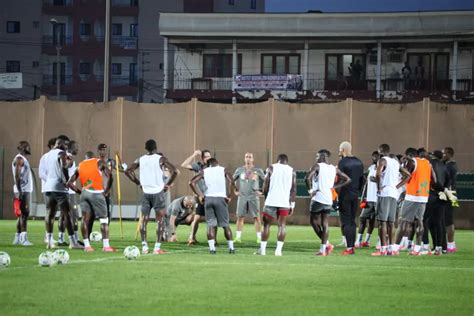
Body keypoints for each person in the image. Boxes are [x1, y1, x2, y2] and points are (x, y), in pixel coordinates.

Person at [125, 139, 178, 255]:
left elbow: (127, 171)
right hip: (158, 193)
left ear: (145, 148)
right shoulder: (160, 159)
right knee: (159, 221)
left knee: (144, 220)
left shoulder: (140, 159)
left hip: (146, 193)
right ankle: (157, 248)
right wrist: (167, 184)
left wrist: (138, 182)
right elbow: (175, 171)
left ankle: (144, 247)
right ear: (156, 148)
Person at [305, 149, 351, 256]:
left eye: (317, 156)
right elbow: (348, 179)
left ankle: (327, 245)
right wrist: (334, 187)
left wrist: (310, 191)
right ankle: (323, 249)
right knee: (325, 224)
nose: (316, 158)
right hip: (328, 199)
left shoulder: (317, 166)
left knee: (313, 221)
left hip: (318, 197)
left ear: (322, 156)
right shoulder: (333, 168)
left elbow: (307, 178)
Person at [67, 151, 115, 252]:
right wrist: (106, 191)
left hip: (85, 193)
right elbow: (110, 176)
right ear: (93, 157)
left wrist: (81, 192)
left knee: (84, 219)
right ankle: (106, 246)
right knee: (104, 220)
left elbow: (69, 183)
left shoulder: (80, 165)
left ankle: (87, 246)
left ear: (85, 158)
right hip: (97, 193)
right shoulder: (99, 162)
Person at [392, 148, 435, 256]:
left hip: (412, 196)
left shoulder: (412, 162)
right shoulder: (427, 163)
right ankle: (417, 248)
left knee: (403, 221)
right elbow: (435, 180)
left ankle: (395, 248)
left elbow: (405, 175)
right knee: (419, 221)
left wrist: (401, 165)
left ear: (409, 155)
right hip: (423, 196)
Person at [41, 135, 81, 249]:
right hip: (59, 187)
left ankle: (49, 241)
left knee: (50, 213)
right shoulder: (61, 153)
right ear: (61, 143)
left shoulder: (46, 155)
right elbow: (63, 167)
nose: (67, 147)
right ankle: (73, 242)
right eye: (66, 145)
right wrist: (66, 180)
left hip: (48, 186)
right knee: (67, 214)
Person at [190, 158, 235, 254]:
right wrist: (230, 196)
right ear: (217, 163)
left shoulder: (204, 171)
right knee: (225, 225)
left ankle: (212, 249)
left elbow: (192, 182)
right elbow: (231, 181)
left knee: (210, 225)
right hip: (220, 198)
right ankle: (231, 248)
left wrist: (200, 195)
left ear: (208, 164)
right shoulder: (223, 169)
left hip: (208, 199)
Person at [372, 144, 410, 256]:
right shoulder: (395, 162)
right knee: (391, 223)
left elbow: (378, 174)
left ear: (381, 151)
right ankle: (391, 249)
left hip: (384, 193)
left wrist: (379, 187)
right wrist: (396, 187)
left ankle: (383, 249)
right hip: (394, 194)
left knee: (382, 222)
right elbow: (408, 175)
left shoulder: (383, 160)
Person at [257, 154, 296, 256]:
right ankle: (278, 251)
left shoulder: (271, 167)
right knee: (282, 226)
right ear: (286, 161)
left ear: (277, 160)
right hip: (284, 202)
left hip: (271, 201)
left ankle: (263, 250)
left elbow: (266, 184)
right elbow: (293, 189)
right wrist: (292, 205)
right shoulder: (291, 170)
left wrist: (265, 196)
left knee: (266, 225)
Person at [337, 141, 364, 255]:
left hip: (345, 194)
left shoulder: (342, 162)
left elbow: (340, 179)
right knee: (352, 221)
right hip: (355, 195)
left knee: (346, 221)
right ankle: (351, 246)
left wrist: (336, 192)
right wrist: (359, 193)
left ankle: (349, 248)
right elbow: (362, 180)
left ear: (342, 150)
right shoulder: (359, 162)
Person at [181, 149, 212, 245]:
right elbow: (184, 165)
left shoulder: (213, 167)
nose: (208, 158)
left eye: (209, 156)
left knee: (211, 218)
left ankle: (212, 239)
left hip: (211, 195)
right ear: (202, 158)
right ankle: (192, 237)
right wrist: (194, 154)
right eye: (206, 156)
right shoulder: (198, 166)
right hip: (200, 196)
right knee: (197, 218)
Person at [233, 152, 265, 244]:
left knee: (257, 217)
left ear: (253, 159)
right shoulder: (239, 170)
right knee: (240, 217)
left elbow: (266, 181)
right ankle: (238, 237)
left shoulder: (258, 170)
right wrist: (235, 190)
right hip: (242, 196)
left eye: (250, 157)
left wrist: (262, 191)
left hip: (253, 197)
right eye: (246, 157)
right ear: (244, 158)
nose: (248, 159)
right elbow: (232, 180)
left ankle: (259, 238)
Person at [425, 150, 449, 255]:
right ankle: (439, 247)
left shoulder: (430, 164)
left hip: (431, 194)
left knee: (423, 221)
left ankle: (424, 246)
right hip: (442, 195)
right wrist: (445, 190)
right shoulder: (444, 166)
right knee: (438, 222)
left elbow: (432, 180)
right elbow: (449, 181)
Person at [355, 151, 379, 248]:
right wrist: (362, 197)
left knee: (378, 221)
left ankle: (377, 242)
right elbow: (367, 184)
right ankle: (359, 240)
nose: (374, 158)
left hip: (379, 199)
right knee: (362, 218)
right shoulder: (371, 168)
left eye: (376, 157)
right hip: (369, 199)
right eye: (373, 157)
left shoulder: (384, 169)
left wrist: (377, 180)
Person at [12, 141, 34, 246]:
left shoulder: (22, 159)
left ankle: (17, 238)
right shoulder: (19, 158)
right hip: (23, 190)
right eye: (28, 146)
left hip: (23, 189)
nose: (30, 148)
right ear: (23, 147)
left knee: (21, 215)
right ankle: (23, 239)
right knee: (25, 214)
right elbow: (17, 176)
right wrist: (20, 191)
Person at [39, 137, 57, 244]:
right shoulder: (45, 157)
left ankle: (50, 235)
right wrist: (51, 181)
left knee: (53, 213)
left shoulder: (58, 156)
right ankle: (47, 236)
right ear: (51, 145)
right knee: (50, 211)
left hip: (56, 189)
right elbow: (41, 173)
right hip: (48, 188)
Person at [443, 147, 458, 253]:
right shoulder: (453, 165)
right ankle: (450, 244)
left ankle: (451, 245)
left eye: (444, 153)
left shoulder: (449, 166)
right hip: (452, 195)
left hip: (449, 194)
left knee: (448, 220)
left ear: (449, 154)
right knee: (447, 220)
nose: (443, 155)